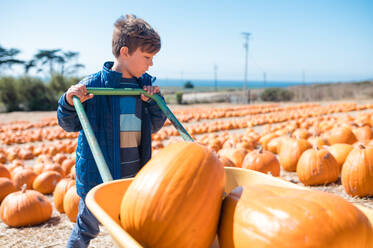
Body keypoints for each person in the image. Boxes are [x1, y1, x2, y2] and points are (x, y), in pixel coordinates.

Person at [57, 14, 166, 248]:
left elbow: (156, 126)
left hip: (134, 173)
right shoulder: (94, 86)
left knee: (131, 224)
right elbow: (68, 124)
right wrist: (68, 100)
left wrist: (154, 101)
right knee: (87, 225)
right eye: (147, 57)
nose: (151, 64)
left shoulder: (143, 88)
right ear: (125, 52)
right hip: (98, 176)